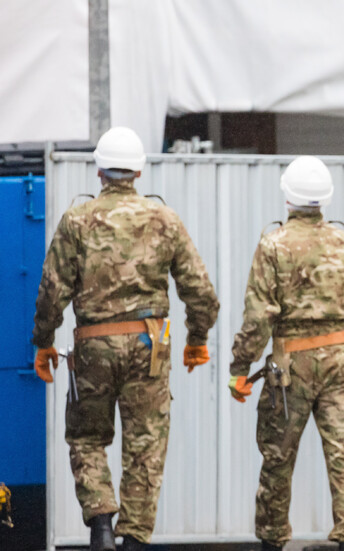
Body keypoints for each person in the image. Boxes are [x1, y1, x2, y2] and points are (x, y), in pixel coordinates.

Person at [32, 126, 219, 551]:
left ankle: (100, 524)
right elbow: (201, 293)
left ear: (99, 171)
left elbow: (51, 288)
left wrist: (43, 341)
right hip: (149, 346)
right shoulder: (165, 220)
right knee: (145, 442)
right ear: (139, 171)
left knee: (86, 437)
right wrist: (196, 339)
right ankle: (134, 539)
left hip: (93, 345)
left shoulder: (77, 221)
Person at [229, 156, 344, 551]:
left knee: (278, 459)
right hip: (342, 362)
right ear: (325, 199)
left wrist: (239, 367)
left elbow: (258, 317)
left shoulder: (273, 245)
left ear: (287, 198)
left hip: (289, 367)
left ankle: (272, 542)